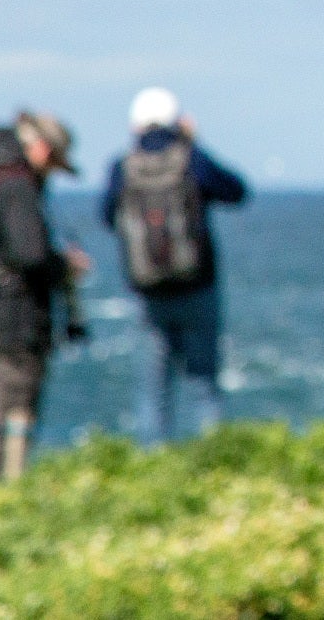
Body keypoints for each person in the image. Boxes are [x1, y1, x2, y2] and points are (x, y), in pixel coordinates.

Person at [101, 87, 250, 443]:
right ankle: (213, 459)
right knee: (204, 384)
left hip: (148, 290)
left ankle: (155, 464)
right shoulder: (191, 159)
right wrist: (192, 143)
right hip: (198, 284)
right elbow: (236, 192)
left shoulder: (123, 167)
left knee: (153, 389)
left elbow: (109, 217)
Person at [0, 111, 88, 483]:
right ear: (42, 150)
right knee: (10, 413)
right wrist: (63, 267)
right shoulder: (18, 189)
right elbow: (29, 254)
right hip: (16, 321)